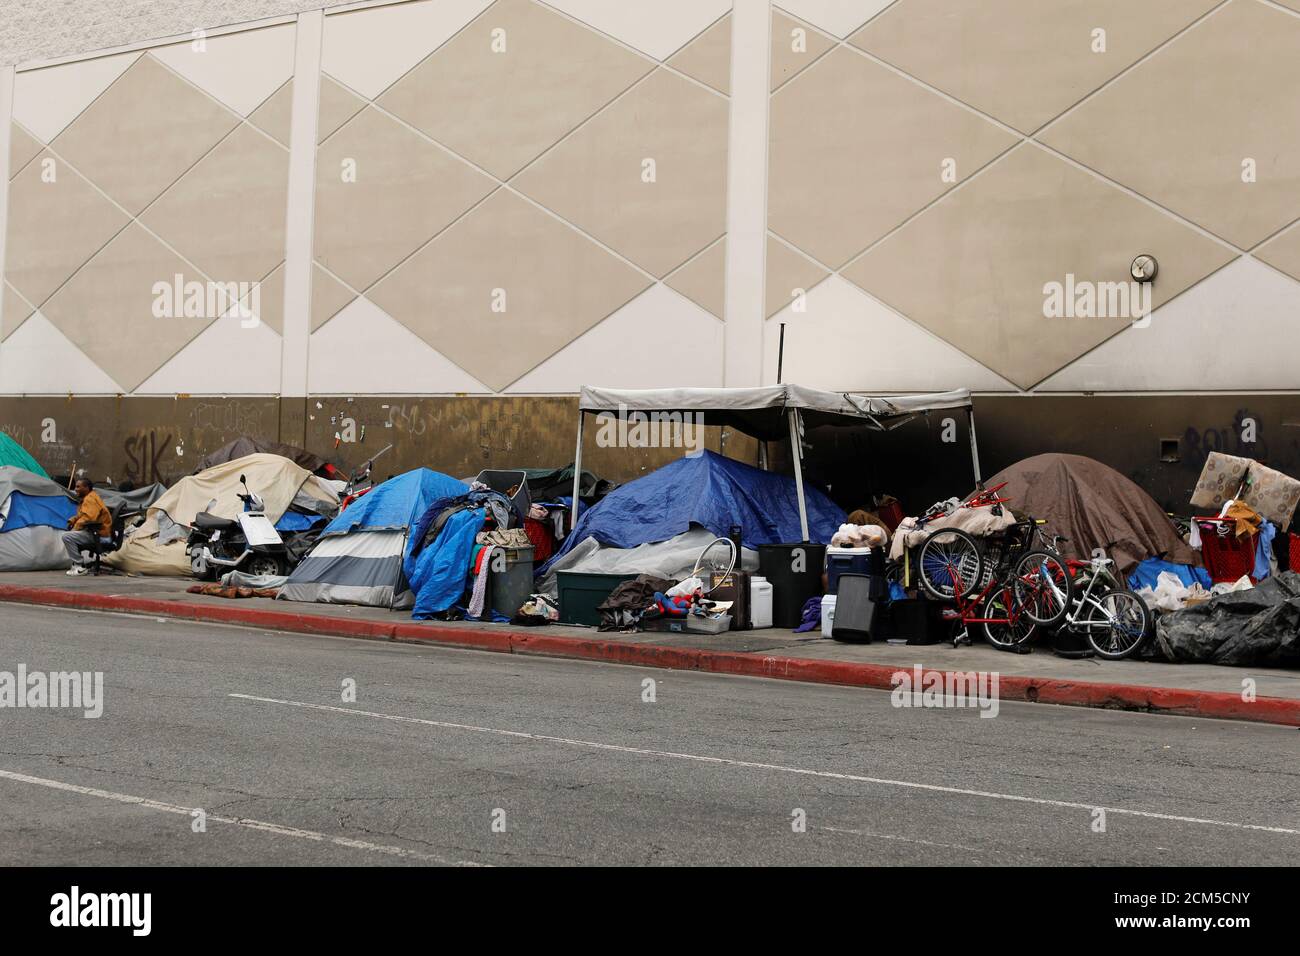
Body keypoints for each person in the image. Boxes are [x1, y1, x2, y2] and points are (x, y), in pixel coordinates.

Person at [62, 478, 112, 575]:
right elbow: (82, 514)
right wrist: (72, 520)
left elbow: (88, 518)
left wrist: (75, 528)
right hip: (95, 533)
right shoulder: (89, 497)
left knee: (67, 536)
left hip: (99, 535)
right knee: (70, 535)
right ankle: (77, 564)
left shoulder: (90, 499)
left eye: (78, 487)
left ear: (86, 488)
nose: (75, 489)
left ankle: (80, 566)